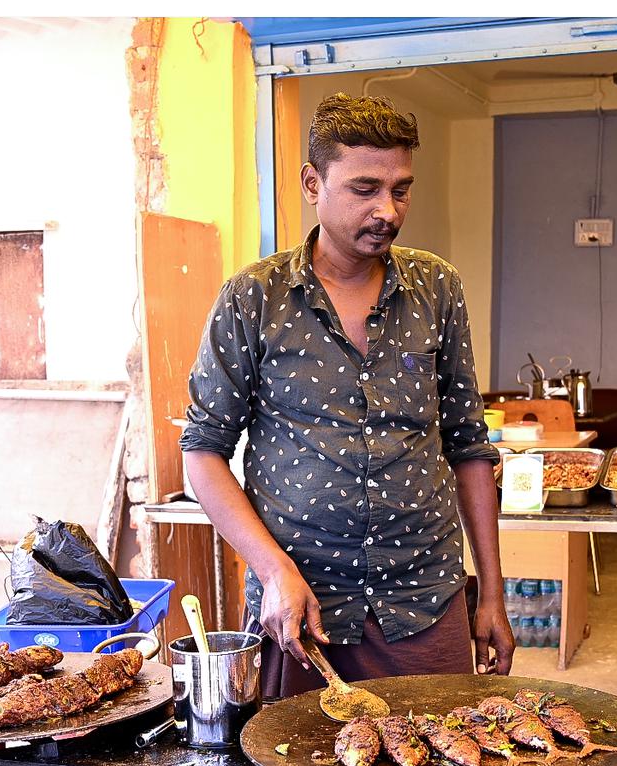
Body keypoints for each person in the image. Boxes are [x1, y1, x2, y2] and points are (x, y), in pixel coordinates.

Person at [179, 92, 513, 698]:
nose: (388, 209)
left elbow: (468, 447)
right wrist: (272, 569)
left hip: (423, 600)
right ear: (313, 182)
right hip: (300, 609)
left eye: (401, 189)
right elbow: (202, 453)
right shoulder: (255, 299)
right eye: (365, 189)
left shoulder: (437, 289)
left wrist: (491, 592)